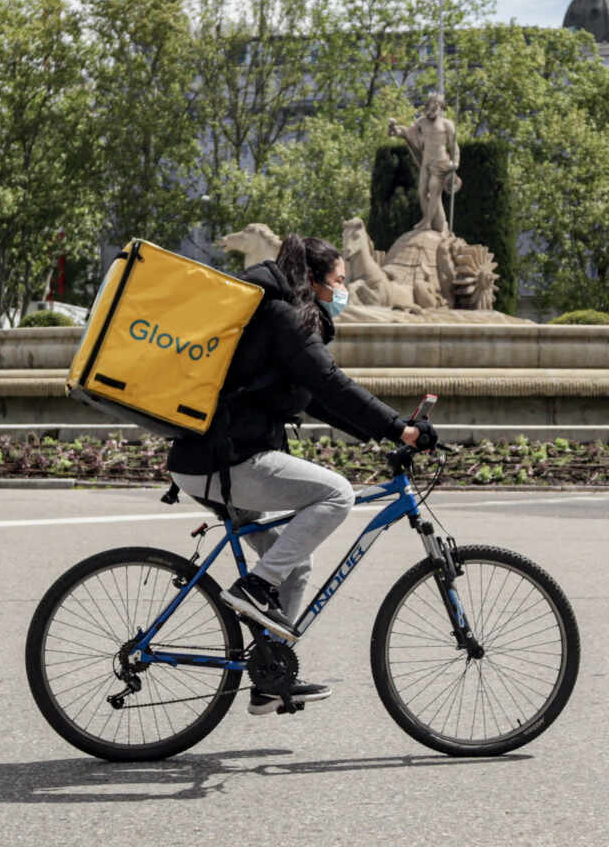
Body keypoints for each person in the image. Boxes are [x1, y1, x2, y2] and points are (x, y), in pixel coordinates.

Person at [167, 233, 435, 715]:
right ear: (311, 279)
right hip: (223, 460)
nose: (343, 290)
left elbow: (318, 399)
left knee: (297, 562)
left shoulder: (283, 319)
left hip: (216, 460)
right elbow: (330, 381)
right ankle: (255, 587)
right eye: (337, 280)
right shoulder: (282, 317)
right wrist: (399, 427)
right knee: (336, 495)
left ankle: (271, 676)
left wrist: (389, 433)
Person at [387, 92, 462, 234]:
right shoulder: (422, 122)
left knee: (434, 190)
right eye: (428, 108)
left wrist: (455, 162)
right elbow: (408, 132)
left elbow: (453, 146)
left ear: (440, 108)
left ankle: (427, 222)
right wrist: (394, 130)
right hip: (426, 162)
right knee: (422, 192)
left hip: (441, 162)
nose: (430, 112)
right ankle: (428, 219)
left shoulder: (447, 124)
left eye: (434, 108)